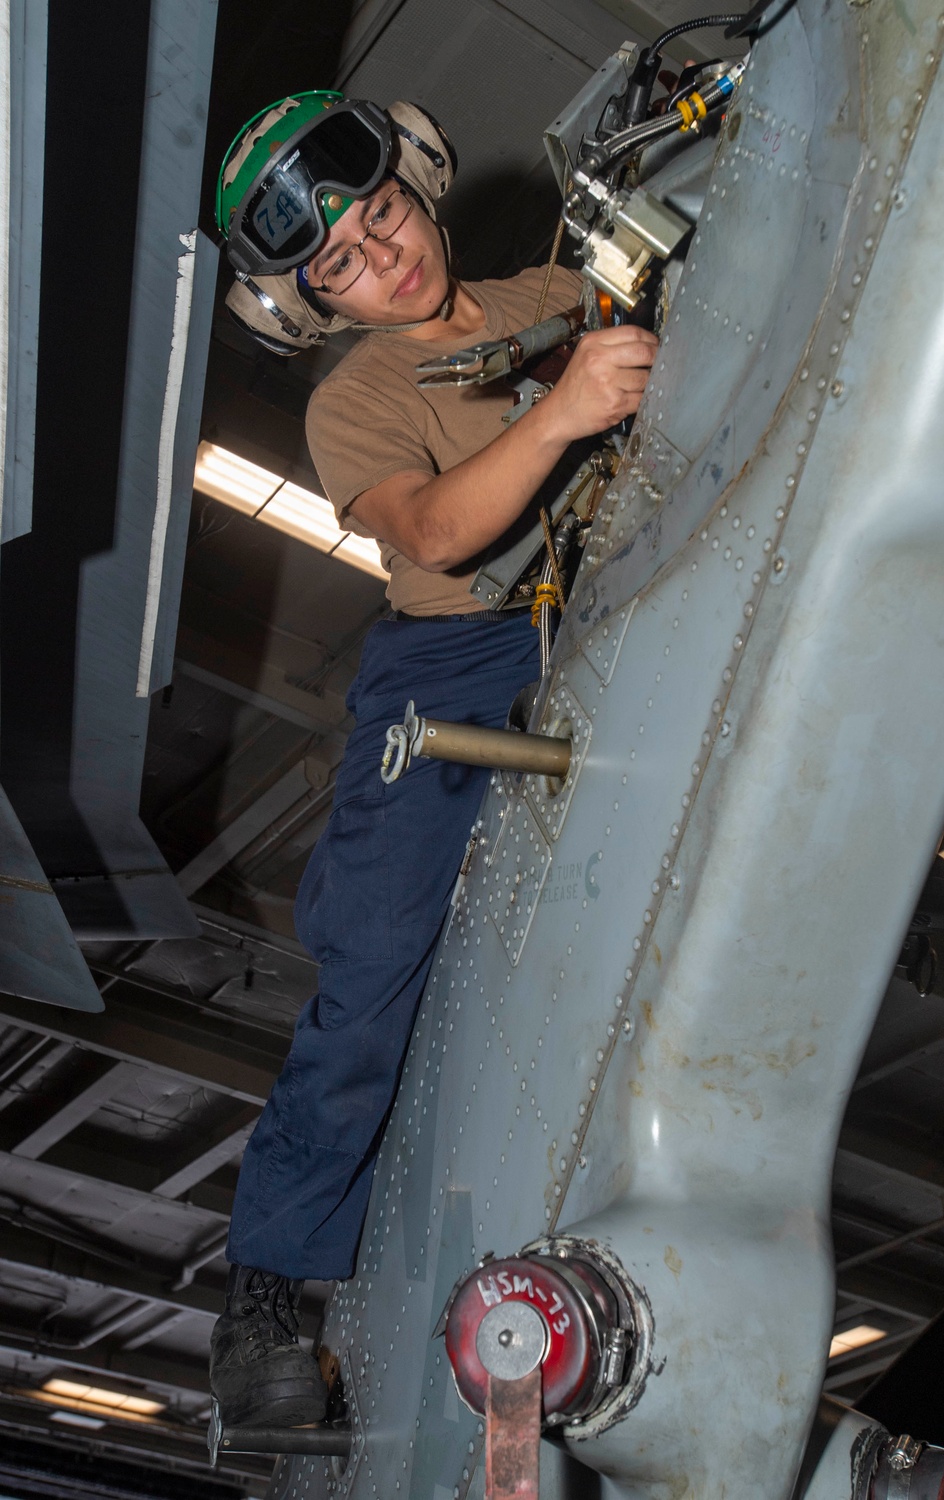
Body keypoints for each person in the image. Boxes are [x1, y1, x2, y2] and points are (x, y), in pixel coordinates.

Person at [209, 90, 658, 1428]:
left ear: (419, 184)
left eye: (382, 213)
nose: (384, 252)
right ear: (314, 305)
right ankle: (266, 1295)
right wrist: (566, 407)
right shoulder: (359, 399)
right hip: (451, 665)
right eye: (338, 260)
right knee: (376, 949)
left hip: (597, 612)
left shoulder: (551, 288)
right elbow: (441, 529)